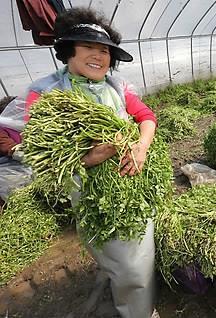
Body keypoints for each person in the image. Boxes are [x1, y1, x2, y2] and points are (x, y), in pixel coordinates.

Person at [25, 8, 159, 318]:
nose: (99, 56)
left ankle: (134, 301)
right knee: (121, 257)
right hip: (90, 191)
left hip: (132, 182)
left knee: (136, 252)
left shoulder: (116, 87)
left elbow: (146, 117)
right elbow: (47, 153)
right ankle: (133, 304)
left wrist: (140, 147)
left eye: (105, 51)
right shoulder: (45, 94)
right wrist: (92, 157)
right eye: (89, 48)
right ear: (68, 50)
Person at [0, 96, 33, 205]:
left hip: (25, 168)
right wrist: (29, 155)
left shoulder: (21, 126)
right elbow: (10, 148)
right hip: (9, 173)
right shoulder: (2, 129)